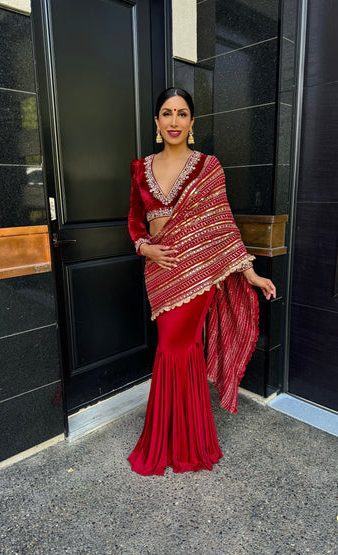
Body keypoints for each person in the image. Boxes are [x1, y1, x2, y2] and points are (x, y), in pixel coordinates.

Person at [127, 87, 276, 476]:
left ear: (192, 122)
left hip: (197, 276)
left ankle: (188, 442)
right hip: (159, 273)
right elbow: (133, 221)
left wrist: (251, 273)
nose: (174, 121)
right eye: (166, 113)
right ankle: (177, 437)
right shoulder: (140, 168)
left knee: (178, 349)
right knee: (173, 349)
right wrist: (146, 249)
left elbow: (224, 228)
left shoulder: (208, 167)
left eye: (181, 114)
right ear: (156, 122)